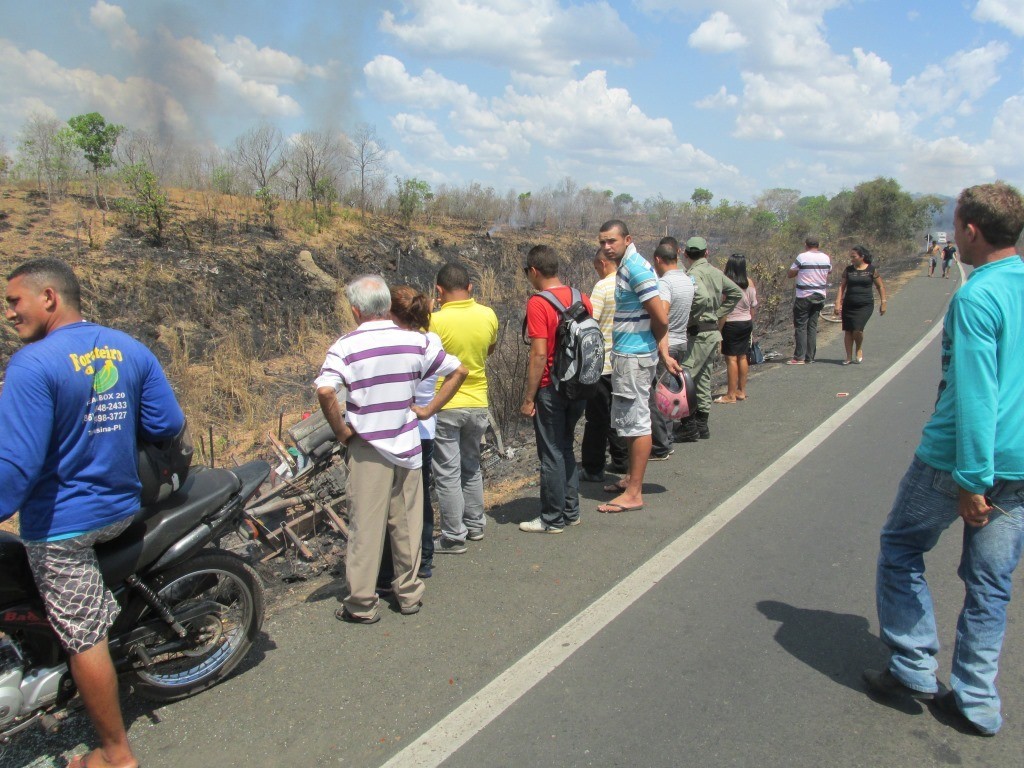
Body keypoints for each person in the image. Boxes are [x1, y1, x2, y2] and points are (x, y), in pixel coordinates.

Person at [0, 258, 187, 768]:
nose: (10, 312)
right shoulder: (128, 348)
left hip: (64, 528)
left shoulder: (31, 365)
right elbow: (167, 421)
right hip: (123, 507)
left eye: (15, 300)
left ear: (49, 298)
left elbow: (14, 469)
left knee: (83, 634)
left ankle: (114, 753)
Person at [863, 182, 1024, 737]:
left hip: (960, 458)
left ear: (970, 231)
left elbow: (978, 393)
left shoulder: (978, 296)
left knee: (902, 546)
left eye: (956, 224)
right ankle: (978, 701)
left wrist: (972, 479)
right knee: (990, 582)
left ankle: (912, 666)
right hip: (1022, 465)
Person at [316, 275, 467, 624]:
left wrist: (341, 430)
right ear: (385, 304)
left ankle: (361, 604)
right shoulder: (417, 341)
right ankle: (409, 593)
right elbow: (459, 370)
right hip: (408, 444)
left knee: (366, 528)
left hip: (369, 447)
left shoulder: (345, 346)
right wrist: (429, 410)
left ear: (356, 310)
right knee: (407, 524)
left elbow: (326, 391)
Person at [595, 220, 681, 514]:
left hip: (634, 357)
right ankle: (631, 480)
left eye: (612, 241)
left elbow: (661, 316)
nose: (606, 247)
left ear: (627, 239)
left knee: (637, 421)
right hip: (629, 355)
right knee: (629, 422)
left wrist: (661, 350)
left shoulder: (635, 268)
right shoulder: (629, 265)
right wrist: (663, 352)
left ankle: (634, 493)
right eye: (602, 242)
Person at [375, 286, 446, 587]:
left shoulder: (394, 342)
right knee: (420, 498)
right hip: (424, 427)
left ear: (392, 313)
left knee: (390, 501)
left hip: (397, 428)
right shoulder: (431, 339)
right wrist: (430, 408)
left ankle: (389, 570)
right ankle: (424, 558)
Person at [519, 245, 593, 532]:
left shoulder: (538, 303)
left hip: (551, 387)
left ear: (535, 271)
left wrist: (529, 397)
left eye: (527, 272)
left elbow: (539, 354)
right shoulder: (581, 297)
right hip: (580, 385)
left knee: (550, 452)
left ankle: (552, 518)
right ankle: (571, 511)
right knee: (565, 446)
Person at [429, 263, 499, 553]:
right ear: (470, 287)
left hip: (445, 403)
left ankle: (453, 536)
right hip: (478, 402)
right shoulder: (488, 314)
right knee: (471, 467)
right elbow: (489, 350)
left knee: (447, 473)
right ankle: (475, 525)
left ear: (439, 291)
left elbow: (426, 359)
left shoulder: (434, 321)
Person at [676, 237, 742, 440]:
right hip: (712, 332)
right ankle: (702, 425)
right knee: (703, 379)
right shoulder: (715, 272)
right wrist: (719, 312)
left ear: (685, 254)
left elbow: (701, 298)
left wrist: (692, 319)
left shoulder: (693, 274)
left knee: (684, 378)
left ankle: (689, 426)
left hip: (698, 332)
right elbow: (736, 293)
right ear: (707, 253)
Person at [580, 248, 628, 482]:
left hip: (603, 363)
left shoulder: (603, 287)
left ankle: (593, 467)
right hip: (624, 360)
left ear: (603, 263)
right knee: (620, 414)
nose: (597, 272)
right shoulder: (629, 283)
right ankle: (621, 460)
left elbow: (590, 323)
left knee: (597, 417)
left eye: (597, 267)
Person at [649, 241, 694, 458]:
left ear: (658, 260)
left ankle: (660, 446)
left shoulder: (664, 283)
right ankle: (667, 440)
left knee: (659, 397)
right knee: (669, 393)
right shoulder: (686, 280)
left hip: (666, 343)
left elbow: (662, 315)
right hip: (681, 341)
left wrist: (659, 344)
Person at [715, 253, 758, 404]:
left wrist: (719, 330)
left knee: (731, 358)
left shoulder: (727, 283)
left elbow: (725, 310)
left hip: (731, 324)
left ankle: (730, 394)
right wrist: (751, 322)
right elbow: (753, 306)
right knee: (743, 356)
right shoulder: (749, 282)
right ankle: (741, 391)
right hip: (746, 323)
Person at [835, 246, 887, 365]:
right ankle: (848, 356)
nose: (851, 259)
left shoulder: (871, 270)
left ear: (862, 257)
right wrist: (838, 303)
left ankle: (858, 348)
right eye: (851, 257)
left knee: (857, 329)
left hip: (865, 305)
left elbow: (880, 286)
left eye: (854, 257)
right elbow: (842, 287)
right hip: (849, 304)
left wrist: (883, 302)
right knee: (848, 330)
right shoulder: (848, 270)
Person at [787, 236, 832, 365]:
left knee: (801, 326)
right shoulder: (826, 257)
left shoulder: (802, 257)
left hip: (804, 295)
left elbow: (790, 273)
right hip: (819, 294)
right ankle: (810, 356)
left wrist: (800, 272)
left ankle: (799, 357)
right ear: (818, 245)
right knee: (812, 326)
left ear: (806, 245)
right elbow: (829, 271)